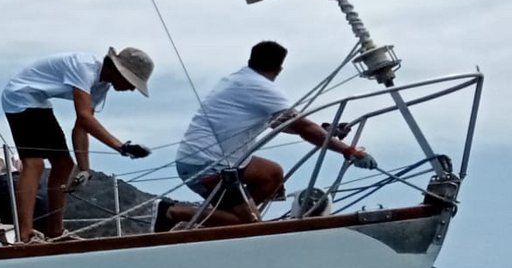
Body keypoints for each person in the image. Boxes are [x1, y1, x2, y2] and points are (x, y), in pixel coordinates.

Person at [155, 41, 376, 230]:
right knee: (247, 224)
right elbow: (303, 128)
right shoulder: (261, 88)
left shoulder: (240, 79)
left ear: (251, 60)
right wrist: (349, 151)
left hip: (218, 160)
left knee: (272, 174)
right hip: (206, 165)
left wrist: (325, 132)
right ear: (279, 68)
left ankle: (232, 214)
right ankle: (173, 212)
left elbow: (282, 124)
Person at [1, 47, 154, 242]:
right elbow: (84, 116)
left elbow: (81, 127)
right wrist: (121, 147)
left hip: (38, 101)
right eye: (132, 82)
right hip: (19, 96)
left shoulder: (101, 86)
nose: (132, 89)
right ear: (119, 72)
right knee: (34, 163)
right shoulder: (85, 68)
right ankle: (25, 234)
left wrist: (84, 169)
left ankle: (56, 232)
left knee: (64, 165)